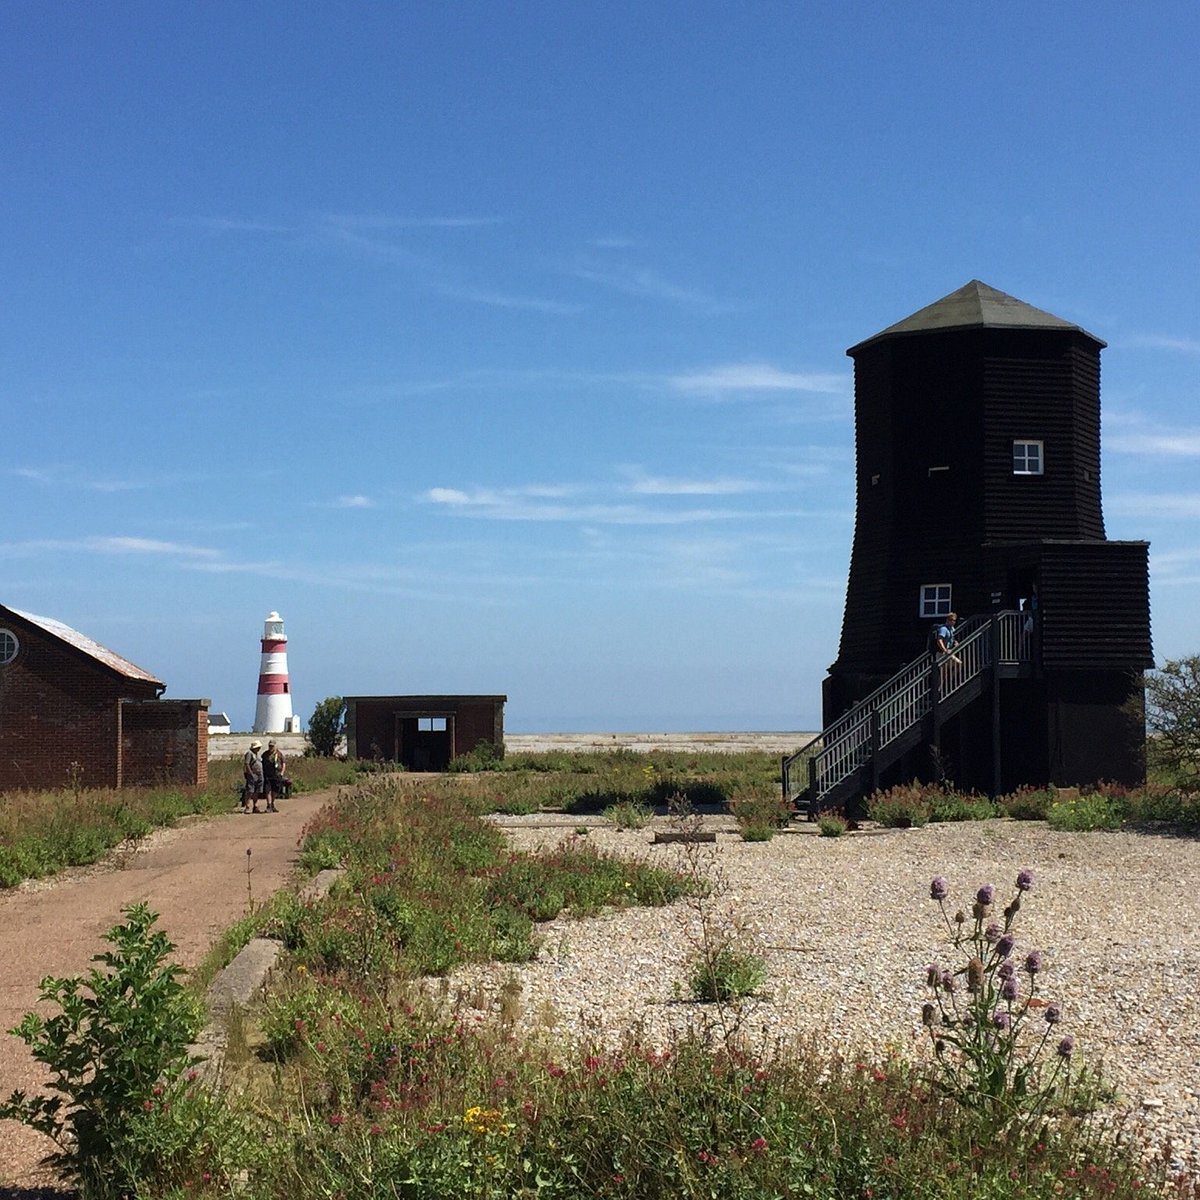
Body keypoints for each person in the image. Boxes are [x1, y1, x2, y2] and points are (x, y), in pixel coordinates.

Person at [242, 740, 265, 813]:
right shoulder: (249, 754)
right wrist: (250, 773)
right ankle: (247, 806)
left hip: (259, 774)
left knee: (257, 791)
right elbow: (247, 764)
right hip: (253, 774)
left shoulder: (257, 754)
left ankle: (255, 806)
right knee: (250, 791)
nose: (259, 749)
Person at [261, 740, 284, 811]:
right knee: (268, 790)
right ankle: (269, 805)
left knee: (275, 790)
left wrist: (282, 772)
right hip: (267, 774)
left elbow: (283, 763)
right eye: (270, 746)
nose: (271, 747)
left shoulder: (279, 754)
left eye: (272, 746)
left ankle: (272, 803)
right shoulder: (265, 754)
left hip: (277, 775)